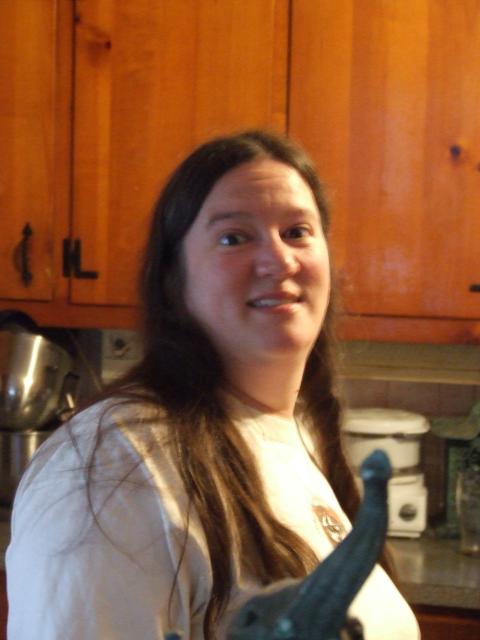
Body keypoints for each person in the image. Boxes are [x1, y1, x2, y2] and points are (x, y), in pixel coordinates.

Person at [6, 130, 420, 639]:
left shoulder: (295, 436)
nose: (280, 260)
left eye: (297, 232)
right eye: (234, 238)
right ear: (174, 282)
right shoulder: (111, 467)